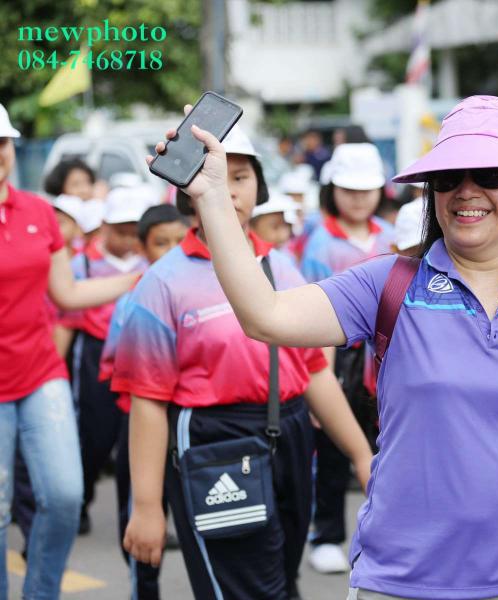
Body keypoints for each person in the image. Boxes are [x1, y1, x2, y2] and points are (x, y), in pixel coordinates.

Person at [161, 84, 498, 598]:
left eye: (491, 175)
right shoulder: (389, 284)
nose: (466, 191)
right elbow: (266, 316)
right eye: (449, 178)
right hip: (401, 585)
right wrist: (211, 196)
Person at [118, 125, 373, 600]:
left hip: (290, 434)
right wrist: (148, 506)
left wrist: (362, 456)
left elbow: (313, 371)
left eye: (240, 177)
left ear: (259, 185)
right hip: (216, 443)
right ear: (187, 187)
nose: (228, 189)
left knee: (282, 580)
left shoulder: (282, 266)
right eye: (216, 174)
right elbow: (148, 401)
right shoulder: (162, 283)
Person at [0, 102, 138, 599]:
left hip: (41, 373)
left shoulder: (38, 211)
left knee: (64, 496)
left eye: (1, 143)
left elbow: (67, 294)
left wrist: (137, 279)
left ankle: (41, 593)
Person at [299, 142, 394, 575]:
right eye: (349, 189)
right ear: (332, 189)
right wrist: (320, 380)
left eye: (366, 189)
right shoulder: (320, 244)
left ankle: (385, 531)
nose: (358, 198)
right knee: (333, 448)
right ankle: (326, 534)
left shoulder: (390, 236)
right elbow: (314, 312)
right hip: (341, 358)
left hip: (387, 357)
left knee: (388, 446)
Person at [101, 203, 189, 600]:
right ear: (142, 247)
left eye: (178, 241)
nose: (170, 250)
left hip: (190, 422)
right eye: (160, 243)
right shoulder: (135, 299)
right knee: (139, 509)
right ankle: (144, 588)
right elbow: (115, 365)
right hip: (139, 422)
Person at [58, 185, 149, 535]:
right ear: (105, 227)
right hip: (95, 356)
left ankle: (140, 513)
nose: (128, 240)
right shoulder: (83, 264)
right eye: (120, 231)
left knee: (139, 439)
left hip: (142, 355)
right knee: (93, 436)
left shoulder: (149, 260)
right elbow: (66, 319)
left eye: (134, 232)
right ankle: (80, 501)